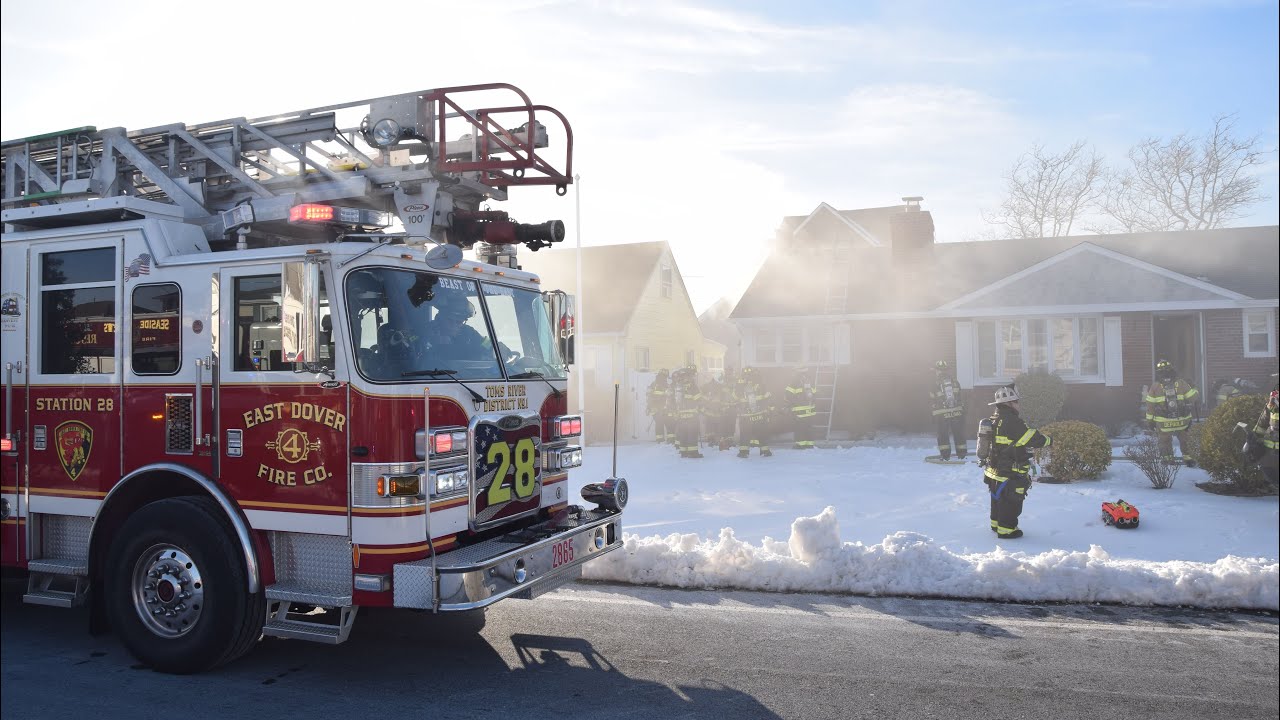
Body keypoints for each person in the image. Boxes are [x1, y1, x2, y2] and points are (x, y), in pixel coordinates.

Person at [980, 385, 1051, 539]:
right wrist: (1049, 440)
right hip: (1009, 472)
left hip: (993, 471)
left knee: (996, 498)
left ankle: (995, 524)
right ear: (1009, 403)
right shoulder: (1011, 421)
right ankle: (1007, 530)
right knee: (1011, 502)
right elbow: (1032, 438)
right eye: (1016, 401)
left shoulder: (994, 419)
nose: (1018, 404)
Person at [1144, 359, 1199, 464]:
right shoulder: (1181, 383)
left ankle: (1167, 460)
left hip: (1163, 422)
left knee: (1164, 441)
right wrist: (1195, 388)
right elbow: (1193, 398)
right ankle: (1188, 458)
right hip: (1182, 422)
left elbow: (1150, 406)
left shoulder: (1155, 386)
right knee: (1185, 440)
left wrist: (1150, 421)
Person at [426, 291, 490, 366]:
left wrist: (495, 347)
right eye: (450, 320)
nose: (454, 325)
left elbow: (486, 342)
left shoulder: (468, 331)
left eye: (459, 322)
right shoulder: (426, 331)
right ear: (440, 317)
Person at [929, 360, 967, 460]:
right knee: (959, 433)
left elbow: (932, 398)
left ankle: (945, 455)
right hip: (957, 413)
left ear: (937, 371)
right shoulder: (955, 382)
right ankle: (962, 454)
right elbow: (959, 395)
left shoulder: (934, 383)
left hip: (941, 414)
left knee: (943, 435)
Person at [736, 367, 773, 458]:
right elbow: (767, 396)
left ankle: (744, 452)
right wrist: (768, 408)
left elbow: (736, 396)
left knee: (745, 433)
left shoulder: (741, 384)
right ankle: (765, 451)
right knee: (762, 432)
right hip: (758, 414)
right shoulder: (759, 383)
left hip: (747, 415)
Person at [1250, 375, 1279, 488]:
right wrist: (1254, 435)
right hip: (1270, 450)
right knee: (1271, 476)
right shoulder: (1272, 404)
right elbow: (1263, 422)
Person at [672, 366, 704, 458]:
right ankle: (693, 453)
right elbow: (699, 400)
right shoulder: (693, 387)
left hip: (681, 417)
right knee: (692, 435)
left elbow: (674, 402)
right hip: (692, 417)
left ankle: (683, 452)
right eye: (689, 376)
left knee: (683, 435)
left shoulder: (678, 387)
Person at [785, 367, 818, 450]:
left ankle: (800, 445)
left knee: (800, 428)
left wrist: (789, 405)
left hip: (799, 410)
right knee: (808, 427)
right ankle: (809, 444)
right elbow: (815, 394)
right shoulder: (809, 380)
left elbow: (788, 394)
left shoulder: (794, 381)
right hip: (810, 410)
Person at [646, 370, 674, 444]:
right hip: (657, 409)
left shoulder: (666, 385)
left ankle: (666, 440)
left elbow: (670, 397)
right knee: (662, 423)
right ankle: (662, 440)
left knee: (666, 423)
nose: (663, 378)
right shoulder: (654, 385)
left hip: (664, 408)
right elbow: (649, 396)